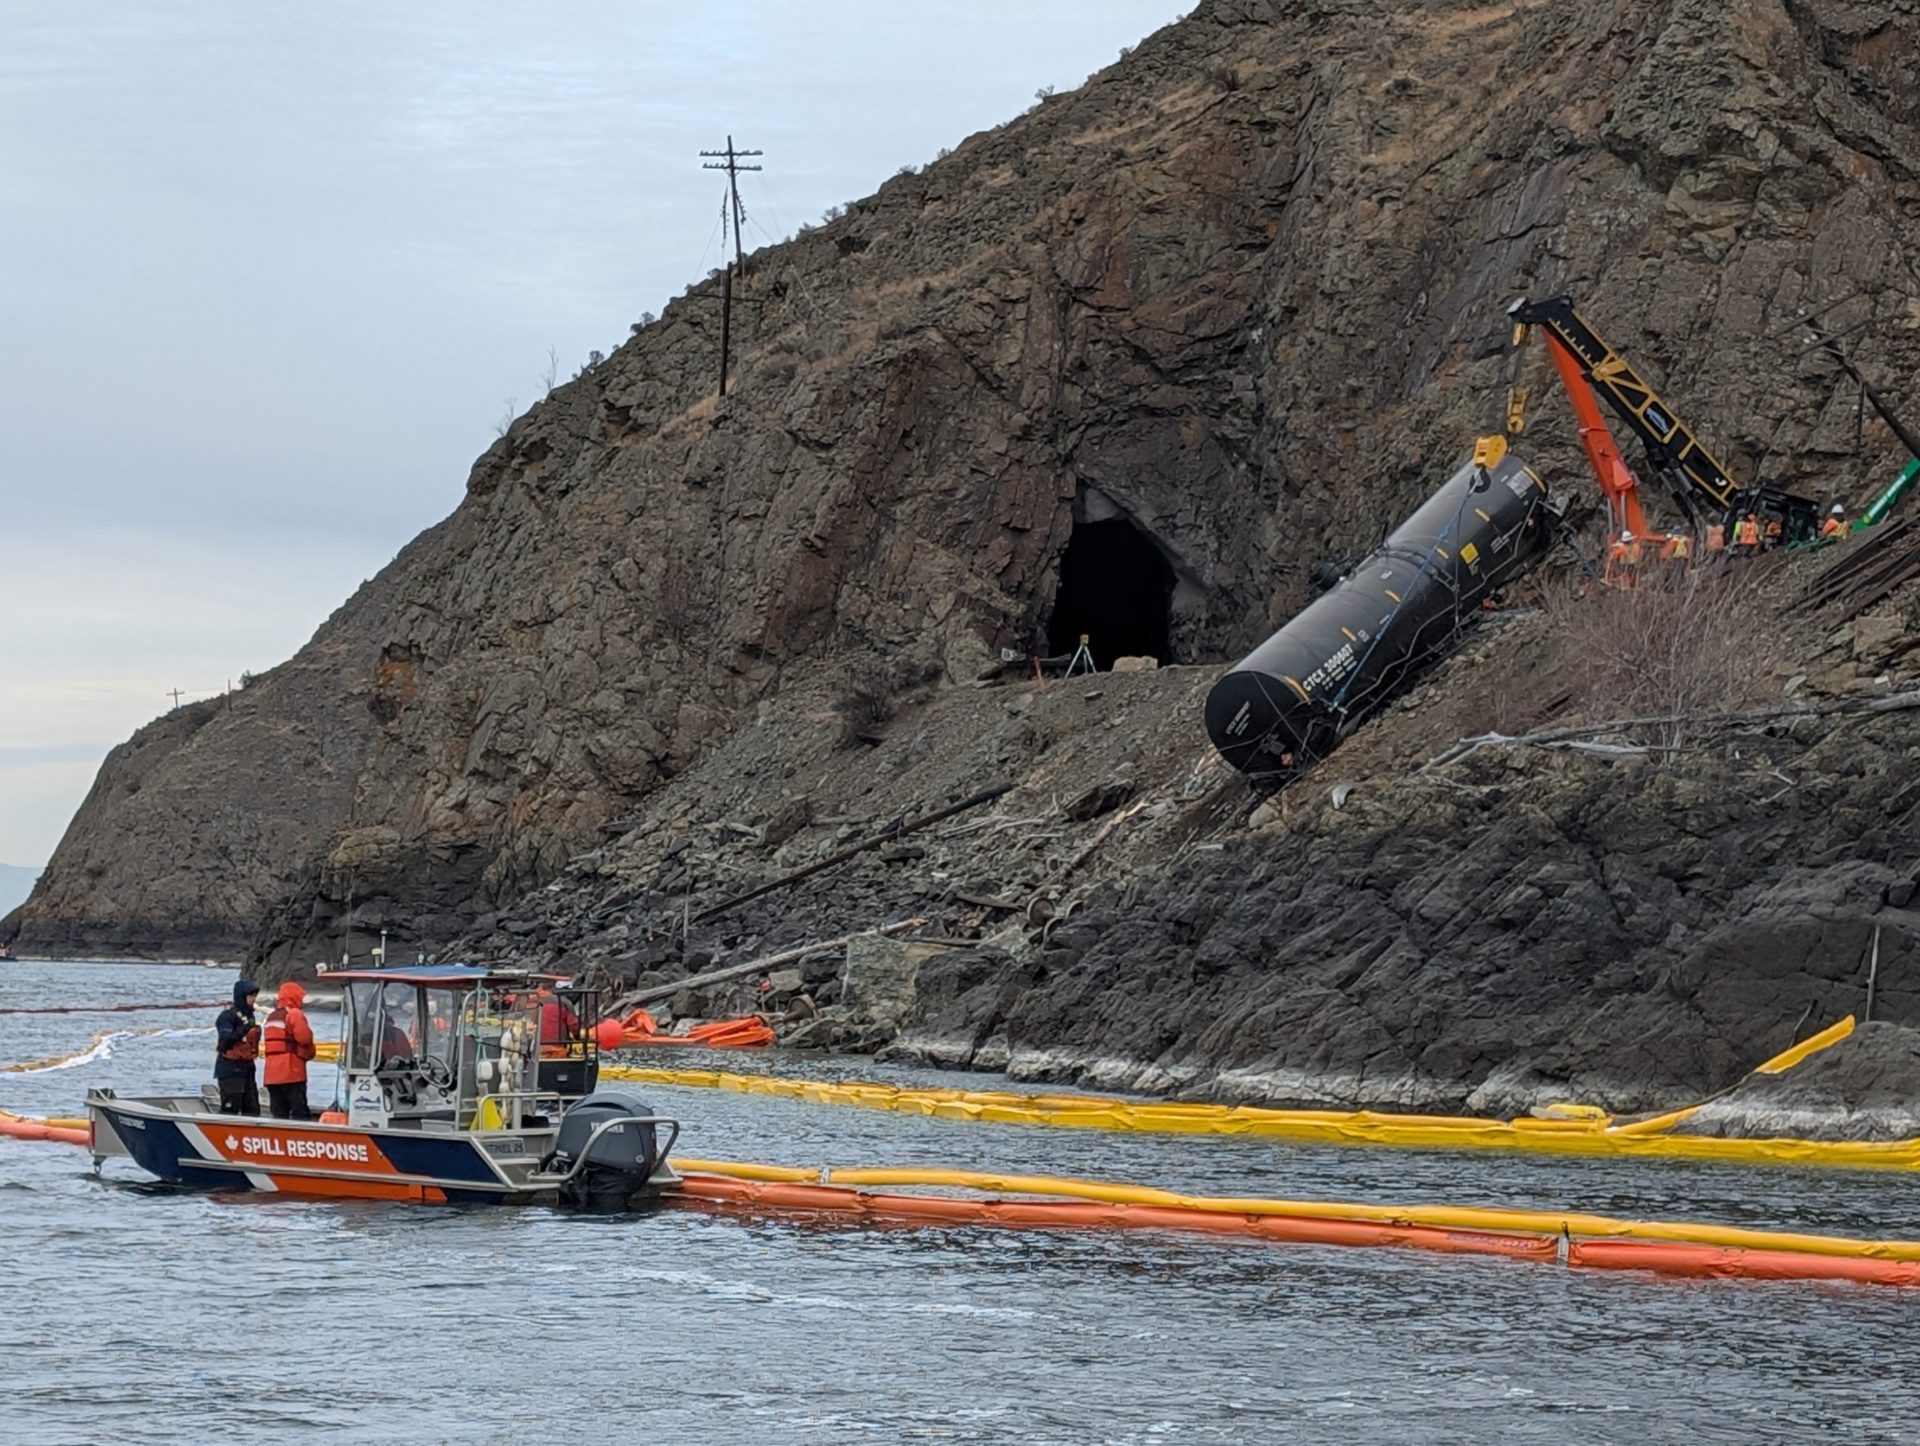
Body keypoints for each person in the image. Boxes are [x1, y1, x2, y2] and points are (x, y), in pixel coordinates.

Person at [262, 981, 317, 1120]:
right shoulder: (294, 1014)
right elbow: (304, 1038)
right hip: (291, 1072)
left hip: (271, 1075)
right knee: (300, 1113)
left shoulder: (271, 1017)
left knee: (279, 1114)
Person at [213, 979, 262, 1116]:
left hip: (247, 1068)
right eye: (250, 996)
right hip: (230, 1068)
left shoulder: (250, 1016)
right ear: (242, 996)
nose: (253, 999)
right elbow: (225, 1041)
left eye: (254, 996)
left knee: (252, 1108)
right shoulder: (227, 1017)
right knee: (231, 1107)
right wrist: (244, 1029)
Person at [534, 982, 579, 1047]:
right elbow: (573, 1027)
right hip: (557, 1047)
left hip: (532, 1047)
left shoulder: (527, 1001)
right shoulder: (564, 1002)